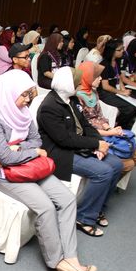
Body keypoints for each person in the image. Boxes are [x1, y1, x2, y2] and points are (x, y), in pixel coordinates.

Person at [0, 70, 99, 271]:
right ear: (9, 93)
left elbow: (37, 141)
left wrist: (18, 146)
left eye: (30, 94)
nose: (27, 100)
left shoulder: (24, 113)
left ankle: (71, 258)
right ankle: (57, 263)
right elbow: (5, 158)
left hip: (30, 167)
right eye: (24, 95)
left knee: (67, 199)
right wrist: (32, 152)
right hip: (5, 174)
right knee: (46, 207)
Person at [38, 67, 123, 237]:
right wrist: (95, 145)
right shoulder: (49, 107)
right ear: (67, 85)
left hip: (78, 145)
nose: (79, 84)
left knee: (116, 164)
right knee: (103, 172)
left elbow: (85, 125)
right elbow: (64, 139)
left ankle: (97, 208)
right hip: (60, 152)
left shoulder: (72, 99)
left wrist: (99, 143)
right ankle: (84, 217)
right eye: (76, 82)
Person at [76, 61, 136, 173]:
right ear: (88, 77)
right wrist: (109, 133)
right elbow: (85, 128)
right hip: (92, 137)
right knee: (129, 164)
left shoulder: (93, 92)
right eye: (97, 76)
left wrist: (109, 128)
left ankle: (114, 176)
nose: (100, 79)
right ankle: (111, 178)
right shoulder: (77, 98)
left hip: (104, 131)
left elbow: (99, 116)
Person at [99, 39, 136, 128]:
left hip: (115, 90)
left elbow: (119, 77)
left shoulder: (116, 61)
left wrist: (123, 89)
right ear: (112, 51)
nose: (122, 51)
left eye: (123, 49)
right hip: (105, 93)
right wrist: (121, 92)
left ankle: (128, 124)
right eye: (119, 50)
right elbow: (105, 86)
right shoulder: (104, 64)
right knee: (129, 108)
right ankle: (120, 126)